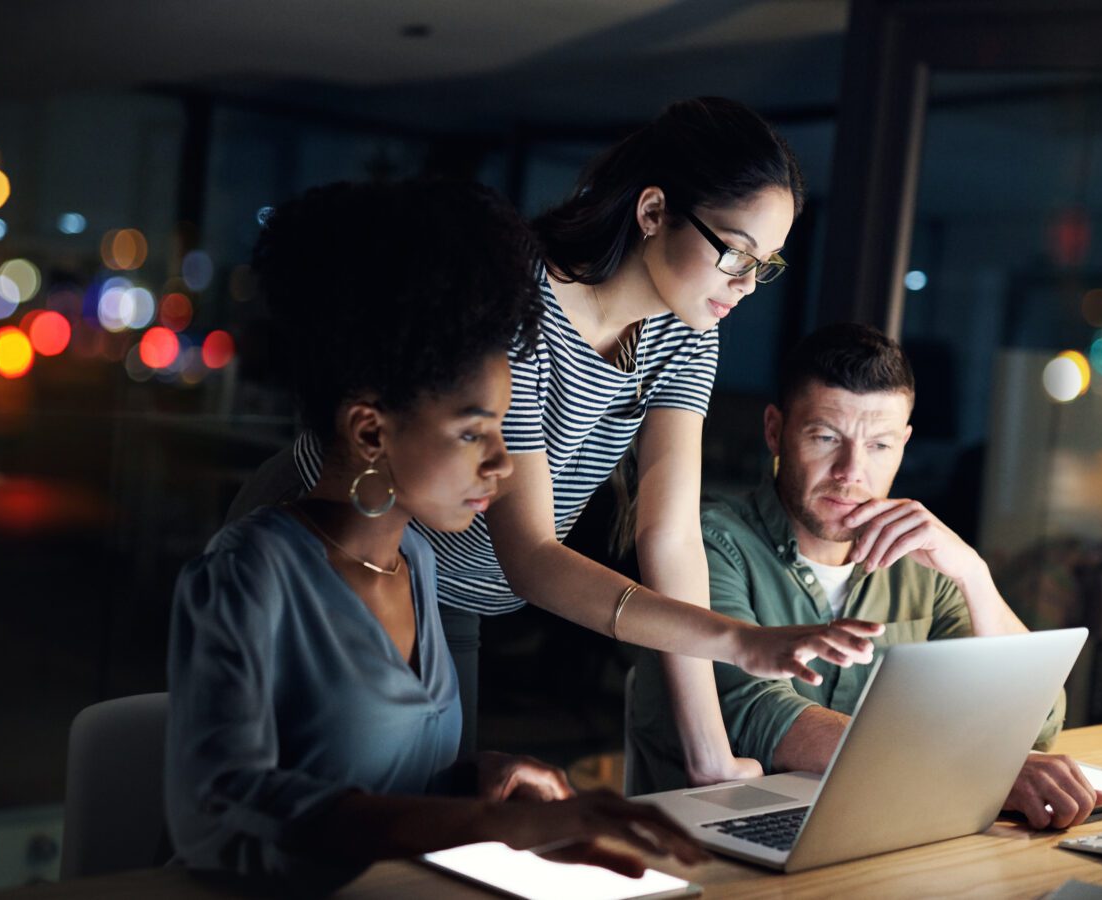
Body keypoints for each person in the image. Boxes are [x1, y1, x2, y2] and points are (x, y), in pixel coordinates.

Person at [228, 97, 882, 784]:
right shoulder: (517, 303)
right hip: (345, 533)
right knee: (295, 793)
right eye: (736, 253)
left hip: (455, 587)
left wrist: (708, 754)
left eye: (767, 265)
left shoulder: (689, 332)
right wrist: (738, 640)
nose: (747, 285)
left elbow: (672, 539)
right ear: (654, 211)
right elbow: (531, 554)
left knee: (431, 805)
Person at [165, 180, 707, 895]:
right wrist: (492, 827)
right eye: (471, 432)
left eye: (502, 428)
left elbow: (384, 775)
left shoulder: (414, 562)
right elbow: (224, 811)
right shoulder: (248, 574)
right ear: (369, 431)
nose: (503, 462)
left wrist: (484, 782)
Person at [627, 323, 1102, 830]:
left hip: (872, 830)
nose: (850, 471)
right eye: (826, 437)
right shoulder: (709, 545)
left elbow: (1040, 719)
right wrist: (969, 766)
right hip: (709, 843)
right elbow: (753, 714)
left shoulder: (923, 561)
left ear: (904, 444)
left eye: (879, 446)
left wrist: (973, 573)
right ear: (775, 431)